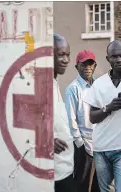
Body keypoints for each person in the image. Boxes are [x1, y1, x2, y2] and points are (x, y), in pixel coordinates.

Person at [83, 40, 121, 192]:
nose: (119, 59)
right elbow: (92, 117)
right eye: (114, 56)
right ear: (108, 59)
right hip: (101, 150)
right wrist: (109, 107)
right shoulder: (99, 84)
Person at [64, 50, 100, 192]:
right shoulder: (72, 89)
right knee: (81, 184)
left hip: (100, 144)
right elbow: (70, 119)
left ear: (95, 66)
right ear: (76, 67)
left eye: (90, 64)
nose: (87, 68)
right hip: (83, 145)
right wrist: (80, 144)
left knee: (98, 184)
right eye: (83, 64)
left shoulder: (99, 86)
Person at [53, 33, 77, 192]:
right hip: (54, 174)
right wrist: (46, 140)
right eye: (61, 54)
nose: (66, 60)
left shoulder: (54, 83)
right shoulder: (39, 86)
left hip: (66, 167)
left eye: (68, 55)